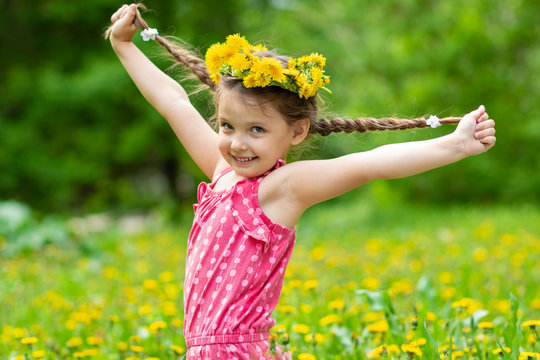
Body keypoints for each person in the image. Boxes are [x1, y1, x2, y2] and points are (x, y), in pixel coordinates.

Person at [106, 4, 496, 359]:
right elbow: (174, 102)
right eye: (227, 126)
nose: (237, 143)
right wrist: (125, 47)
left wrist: (455, 144)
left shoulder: (281, 190)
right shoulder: (222, 172)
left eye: (256, 129)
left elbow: (367, 164)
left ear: (296, 132)